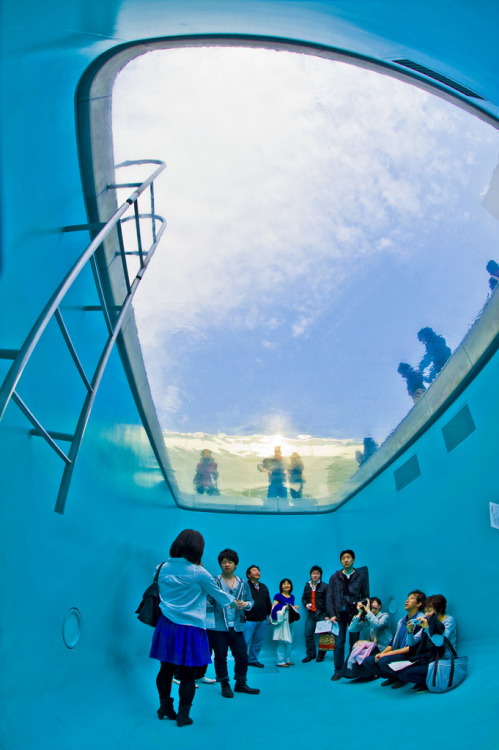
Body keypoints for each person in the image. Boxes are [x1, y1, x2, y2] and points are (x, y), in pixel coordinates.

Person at [149, 529, 234, 727]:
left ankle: (164, 708)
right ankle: (183, 715)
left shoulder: (161, 567)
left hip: (166, 625)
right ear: (198, 549)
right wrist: (241, 604)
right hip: (190, 628)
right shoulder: (199, 572)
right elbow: (223, 599)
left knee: (165, 669)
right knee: (188, 674)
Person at [206, 548, 260, 698]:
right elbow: (209, 600)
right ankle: (224, 684)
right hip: (218, 626)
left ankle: (241, 683)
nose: (227, 564)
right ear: (220, 564)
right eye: (224, 562)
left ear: (236, 565)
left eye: (230, 562)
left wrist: (245, 605)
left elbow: (251, 601)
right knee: (220, 656)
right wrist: (205, 602)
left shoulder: (243, 583)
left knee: (242, 655)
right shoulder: (214, 581)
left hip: (237, 626)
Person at [386, 594, 457, 693]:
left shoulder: (449, 620)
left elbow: (440, 642)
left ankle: (427, 683)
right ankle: (425, 681)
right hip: (430, 657)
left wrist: (427, 628)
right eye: (425, 611)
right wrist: (410, 632)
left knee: (405, 674)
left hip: (443, 659)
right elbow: (411, 643)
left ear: (440, 610)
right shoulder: (428, 621)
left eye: (429, 611)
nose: (426, 614)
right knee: (400, 672)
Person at [360, 589, 426, 687]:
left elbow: (412, 649)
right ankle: (392, 677)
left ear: (419, 603)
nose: (406, 601)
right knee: (368, 661)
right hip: (397, 652)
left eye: (411, 598)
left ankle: (401, 678)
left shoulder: (420, 621)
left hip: (410, 655)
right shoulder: (402, 621)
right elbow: (392, 643)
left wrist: (386, 655)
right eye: (407, 598)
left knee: (383, 661)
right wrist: (382, 653)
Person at [326, 549, 369, 681]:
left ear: (353, 560)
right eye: (343, 558)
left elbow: (366, 596)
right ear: (341, 561)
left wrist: (361, 610)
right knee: (339, 643)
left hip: (354, 615)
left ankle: (351, 668)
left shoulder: (360, 576)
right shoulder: (334, 577)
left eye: (348, 557)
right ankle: (338, 670)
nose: (346, 560)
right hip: (338, 615)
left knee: (354, 643)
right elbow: (329, 597)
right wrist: (332, 614)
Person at [342, 597, 391, 679]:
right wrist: (359, 613)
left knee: (367, 655)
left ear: (379, 606)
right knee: (356, 651)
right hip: (371, 647)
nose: (370, 605)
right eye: (369, 603)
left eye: (373, 603)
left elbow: (377, 624)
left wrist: (368, 611)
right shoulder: (367, 619)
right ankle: (351, 673)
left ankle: (370, 674)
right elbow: (352, 629)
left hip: (382, 647)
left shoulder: (385, 616)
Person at [244, 564, 272, 668]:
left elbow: (268, 602)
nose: (257, 572)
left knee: (258, 641)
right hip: (248, 620)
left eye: (258, 571)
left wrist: (269, 614)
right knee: (245, 641)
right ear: (248, 575)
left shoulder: (264, 587)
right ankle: (242, 660)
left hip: (262, 620)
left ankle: (252, 660)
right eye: (254, 570)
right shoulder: (245, 586)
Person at [301, 566, 329, 662]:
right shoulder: (307, 586)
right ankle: (311, 654)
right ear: (310, 575)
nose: (315, 575)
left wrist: (328, 615)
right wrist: (306, 605)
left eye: (317, 573)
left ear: (320, 575)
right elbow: (303, 598)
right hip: (311, 615)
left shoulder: (325, 586)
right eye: (313, 573)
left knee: (324, 635)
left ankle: (321, 655)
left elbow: (329, 601)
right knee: (308, 634)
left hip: (322, 613)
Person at [271, 578, 299, 667]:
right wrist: (284, 607)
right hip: (282, 621)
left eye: (288, 583)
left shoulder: (292, 596)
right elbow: (274, 608)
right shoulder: (278, 596)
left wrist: (294, 608)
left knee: (290, 640)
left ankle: (288, 659)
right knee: (282, 640)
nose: (286, 585)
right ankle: (280, 661)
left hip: (290, 620)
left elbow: (291, 608)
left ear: (291, 586)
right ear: (281, 586)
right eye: (284, 584)